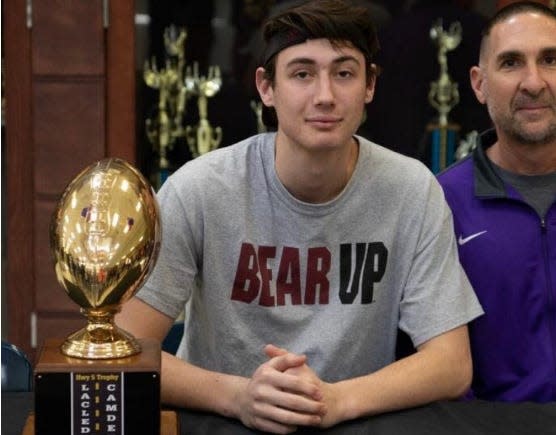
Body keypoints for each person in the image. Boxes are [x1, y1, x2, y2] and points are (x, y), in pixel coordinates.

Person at [117, 1, 483, 432]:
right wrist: (238, 396)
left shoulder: (411, 191)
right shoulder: (199, 189)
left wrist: (337, 399)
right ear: (266, 87)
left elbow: (451, 364)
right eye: (302, 73)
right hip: (221, 423)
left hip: (353, 422)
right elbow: (123, 352)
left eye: (344, 73)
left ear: (370, 85)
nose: (325, 96)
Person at [437, 1, 556, 402]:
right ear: (478, 82)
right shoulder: (440, 205)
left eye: (550, 59)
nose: (534, 82)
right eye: (511, 63)